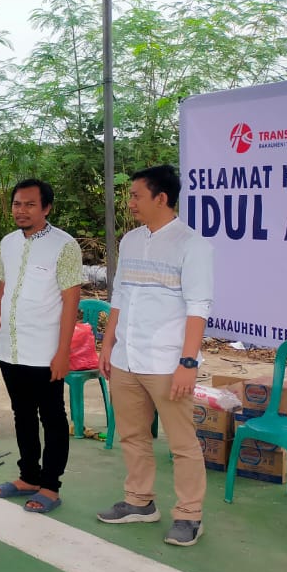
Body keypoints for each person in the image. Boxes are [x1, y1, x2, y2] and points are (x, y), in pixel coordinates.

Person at [97, 164, 214, 546]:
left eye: (136, 196)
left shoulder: (192, 245)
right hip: (126, 358)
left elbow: (198, 307)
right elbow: (119, 295)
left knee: (182, 443)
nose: (130, 202)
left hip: (167, 362)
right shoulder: (130, 241)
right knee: (132, 435)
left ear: (161, 198)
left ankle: (189, 515)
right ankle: (139, 501)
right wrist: (108, 344)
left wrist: (188, 362)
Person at [0, 179, 83, 513]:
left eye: (29, 204)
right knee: (21, 413)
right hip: (11, 347)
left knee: (52, 416)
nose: (21, 210)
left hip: (45, 350)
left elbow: (71, 301)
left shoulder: (64, 245)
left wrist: (62, 351)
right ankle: (28, 476)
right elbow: (1, 291)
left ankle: (51, 486)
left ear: (46, 208)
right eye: (16, 204)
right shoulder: (8, 243)